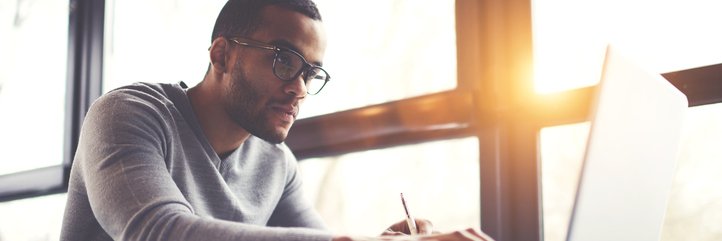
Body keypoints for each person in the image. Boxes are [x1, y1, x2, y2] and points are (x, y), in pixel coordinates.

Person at [60, 0, 492, 240]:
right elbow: (158, 232)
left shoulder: (275, 163)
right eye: (285, 60)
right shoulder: (129, 114)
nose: (300, 89)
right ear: (222, 54)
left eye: (311, 72)